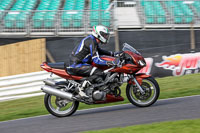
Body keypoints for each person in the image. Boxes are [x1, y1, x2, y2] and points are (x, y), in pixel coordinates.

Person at [69, 25, 121, 97]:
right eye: (104, 35)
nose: (106, 37)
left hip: (80, 63)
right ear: (99, 34)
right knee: (99, 72)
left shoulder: (92, 40)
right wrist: (111, 62)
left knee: (100, 72)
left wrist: (113, 54)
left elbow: (99, 51)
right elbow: (96, 60)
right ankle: (81, 88)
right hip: (77, 65)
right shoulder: (91, 41)